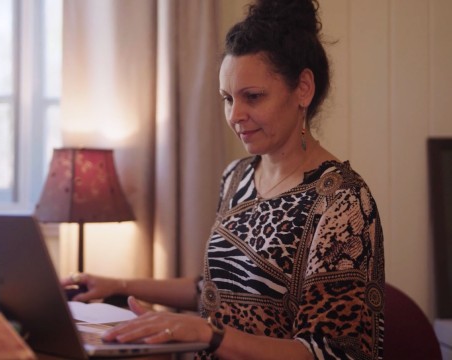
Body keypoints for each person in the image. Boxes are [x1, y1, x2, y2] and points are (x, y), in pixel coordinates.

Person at [61, 0, 385, 359]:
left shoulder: (342, 202)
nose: (235, 115)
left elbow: (329, 352)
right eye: (228, 99)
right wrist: (117, 284)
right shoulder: (237, 176)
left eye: (253, 97)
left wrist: (210, 334)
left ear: (303, 89)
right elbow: (215, 288)